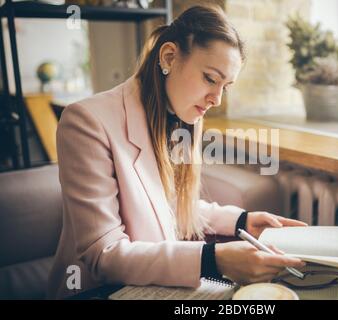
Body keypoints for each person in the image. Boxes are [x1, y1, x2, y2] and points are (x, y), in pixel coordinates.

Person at [47, 5, 306, 299]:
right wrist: (212, 259)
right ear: (169, 57)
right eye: (210, 78)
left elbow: (168, 206)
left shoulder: (182, 116)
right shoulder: (86, 122)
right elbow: (103, 255)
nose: (217, 100)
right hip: (100, 291)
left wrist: (242, 221)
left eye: (226, 86)